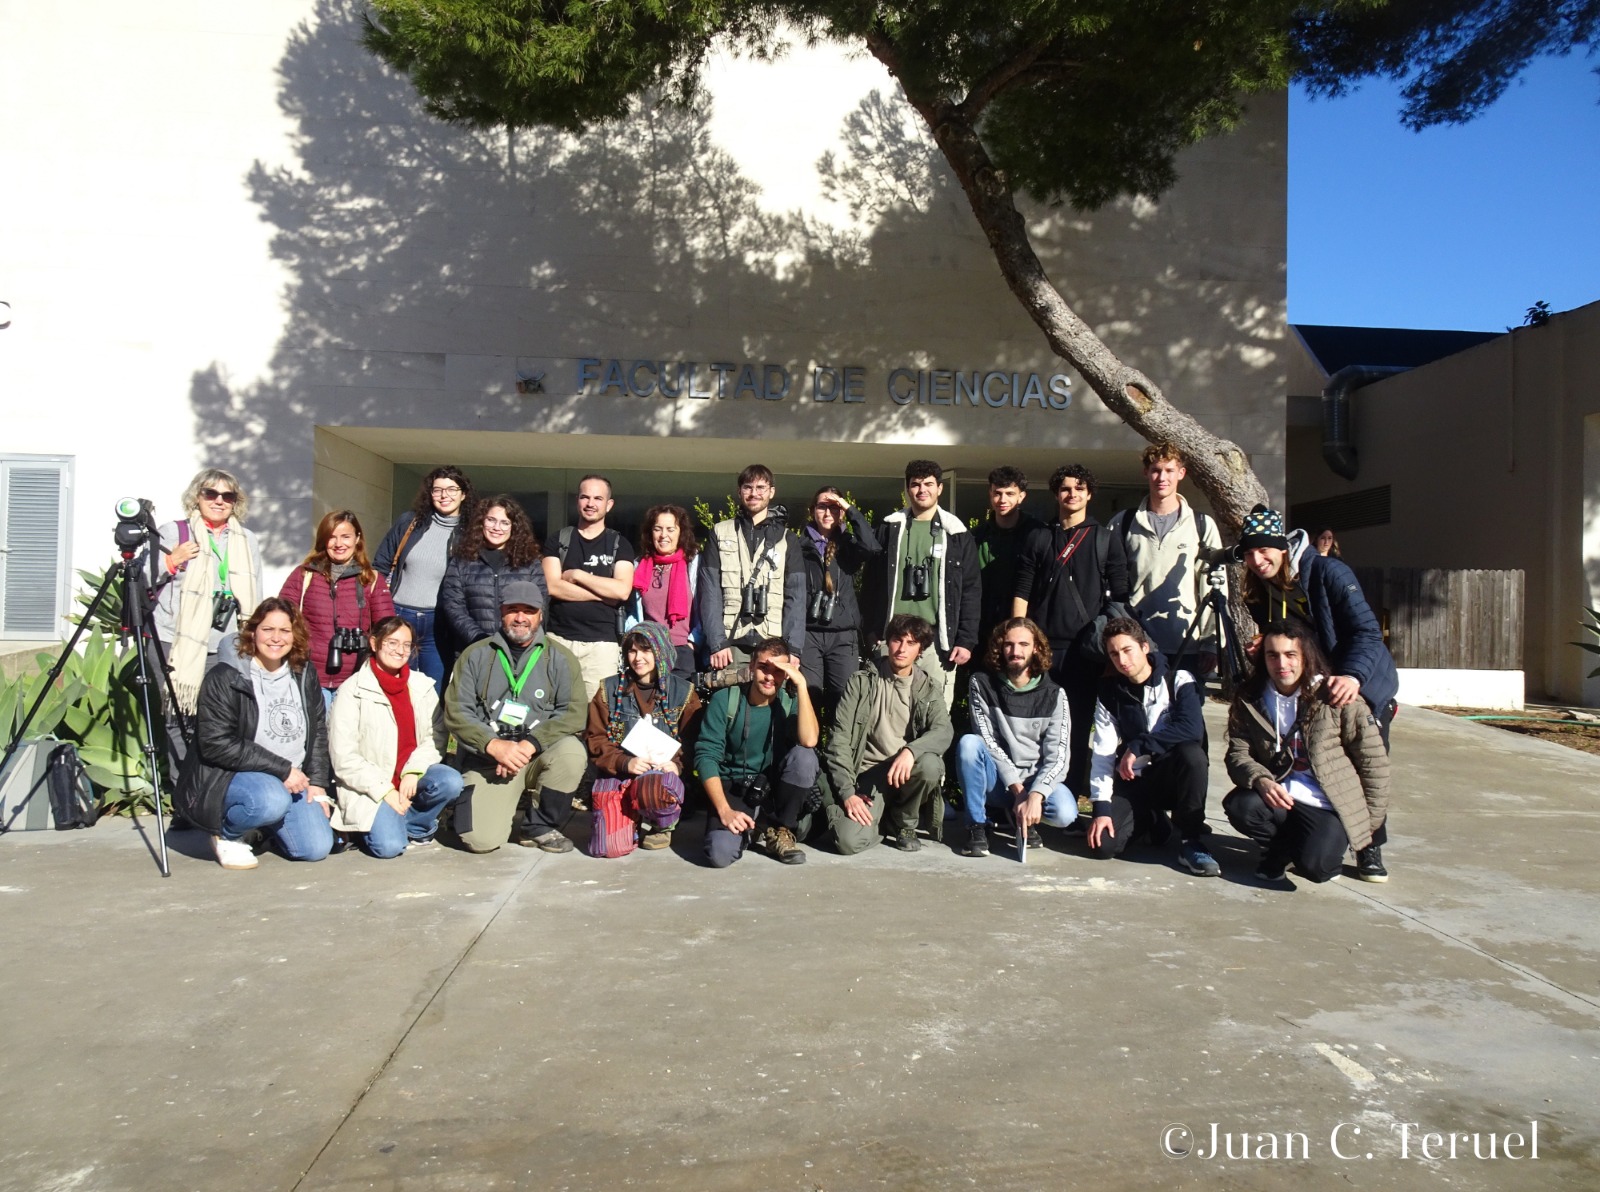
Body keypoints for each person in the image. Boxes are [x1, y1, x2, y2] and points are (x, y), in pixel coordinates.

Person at [1223, 621, 1391, 884]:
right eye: (1272, 655)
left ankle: (1305, 848)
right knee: (1241, 806)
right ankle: (1281, 849)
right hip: (1281, 793)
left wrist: (1367, 827)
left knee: (1317, 869)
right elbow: (1238, 754)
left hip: (1327, 802)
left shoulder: (1337, 698)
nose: (1282, 664)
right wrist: (1261, 780)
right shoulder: (1251, 697)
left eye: (1291, 655)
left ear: (1305, 657)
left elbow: (1374, 766)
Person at [174, 597, 332, 870]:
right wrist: (282, 770)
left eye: (285, 630)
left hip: (292, 778)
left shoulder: (303, 673)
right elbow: (216, 743)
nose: (276, 638)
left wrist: (317, 783)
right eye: (268, 629)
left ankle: (262, 826)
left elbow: (317, 729)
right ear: (253, 631)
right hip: (231, 777)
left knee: (315, 848)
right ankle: (228, 833)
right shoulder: (226, 676)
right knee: (271, 799)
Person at [1236, 504, 1399, 754]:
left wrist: (1352, 676)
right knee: (1318, 765)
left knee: (1364, 762)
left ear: (1282, 548)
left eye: (1263, 549)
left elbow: (1366, 631)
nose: (1256, 561)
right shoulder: (1258, 589)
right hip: (1315, 686)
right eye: (1248, 553)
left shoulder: (1329, 572)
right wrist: (1265, 645)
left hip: (1361, 681)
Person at [1013, 463, 1131, 796]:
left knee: (1079, 727)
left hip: (1086, 651)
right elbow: (1022, 589)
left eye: (1080, 488)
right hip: (1044, 647)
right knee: (1038, 726)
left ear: (1089, 494)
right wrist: (1021, 640)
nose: (1072, 494)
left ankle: (1071, 795)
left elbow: (1120, 596)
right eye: (1065, 488)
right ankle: (1036, 794)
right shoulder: (1039, 536)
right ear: (1056, 494)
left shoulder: (1105, 540)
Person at [444, 581, 586, 854]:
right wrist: (493, 746)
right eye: (513, 610)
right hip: (489, 760)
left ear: (540, 615)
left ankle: (539, 826)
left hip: (537, 754)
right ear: (501, 612)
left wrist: (529, 744)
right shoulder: (475, 655)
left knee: (572, 753)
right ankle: (487, 810)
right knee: (480, 841)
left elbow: (573, 713)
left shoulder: (561, 658)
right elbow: (457, 711)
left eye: (528, 611)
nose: (520, 618)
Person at [1085, 617, 1218, 876]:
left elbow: (1191, 729)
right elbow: (1103, 750)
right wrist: (1100, 807)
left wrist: (1139, 745)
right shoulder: (1111, 693)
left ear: (1145, 647)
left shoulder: (1178, 679)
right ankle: (1155, 821)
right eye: (1114, 654)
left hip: (1176, 779)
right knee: (1103, 846)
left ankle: (1191, 841)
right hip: (1138, 781)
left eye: (1127, 650)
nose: (1122, 660)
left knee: (1192, 754)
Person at [327, 615, 464, 857]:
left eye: (406, 645)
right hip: (371, 786)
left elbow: (436, 736)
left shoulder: (422, 686)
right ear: (374, 643)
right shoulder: (352, 691)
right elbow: (343, 758)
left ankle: (415, 825)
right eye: (392, 643)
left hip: (410, 778)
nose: (400, 651)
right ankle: (382, 826)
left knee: (450, 781)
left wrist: (414, 770)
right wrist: (385, 791)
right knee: (388, 848)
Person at [822, 615, 951, 855]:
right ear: (887, 642)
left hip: (905, 772)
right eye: (897, 640)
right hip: (868, 775)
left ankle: (905, 824)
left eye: (911, 643)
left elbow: (943, 730)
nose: (902, 649)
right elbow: (838, 739)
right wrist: (848, 793)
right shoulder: (861, 682)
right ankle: (882, 822)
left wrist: (910, 751)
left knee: (931, 765)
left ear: (920, 650)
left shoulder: (928, 687)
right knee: (847, 842)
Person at [862, 460, 980, 711]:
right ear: (907, 489)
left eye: (928, 484)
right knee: (886, 710)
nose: (921, 490)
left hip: (937, 641)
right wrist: (871, 632)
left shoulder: (956, 534)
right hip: (891, 638)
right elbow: (870, 584)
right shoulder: (888, 529)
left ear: (939, 488)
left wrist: (966, 639)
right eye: (915, 485)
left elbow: (970, 589)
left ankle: (929, 754)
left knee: (933, 711)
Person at [154, 467, 264, 730]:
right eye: (211, 493)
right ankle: (181, 772)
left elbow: (256, 590)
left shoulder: (246, 539)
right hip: (176, 638)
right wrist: (172, 561)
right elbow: (145, 577)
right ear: (197, 496)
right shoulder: (174, 532)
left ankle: (208, 772)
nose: (219, 500)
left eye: (228, 496)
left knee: (220, 718)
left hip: (226, 642)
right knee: (177, 717)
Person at [955, 618, 1075, 858]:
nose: (1015, 651)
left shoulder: (1055, 695)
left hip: (1034, 780)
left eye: (1023, 644)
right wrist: (1017, 790)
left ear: (1036, 648)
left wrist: (1035, 795)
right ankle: (978, 825)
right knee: (969, 744)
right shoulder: (982, 683)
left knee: (1065, 813)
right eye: (1008, 645)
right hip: (999, 781)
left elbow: (1058, 757)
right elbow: (987, 740)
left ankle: (1028, 819)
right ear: (1000, 648)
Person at [694, 636, 819, 867]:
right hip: (734, 787)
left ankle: (781, 829)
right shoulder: (725, 700)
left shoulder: (789, 703)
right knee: (719, 854)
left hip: (772, 789)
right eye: (763, 668)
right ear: (751, 667)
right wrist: (724, 810)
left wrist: (801, 685)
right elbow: (706, 757)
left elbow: (809, 740)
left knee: (805, 757)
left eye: (778, 671)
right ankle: (754, 828)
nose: (770, 677)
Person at [583, 621, 704, 856]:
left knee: (656, 786)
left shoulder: (684, 693)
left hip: (661, 779)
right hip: (618, 775)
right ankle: (630, 819)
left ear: (661, 652)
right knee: (610, 847)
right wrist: (623, 762)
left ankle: (662, 823)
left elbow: (694, 741)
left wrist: (677, 765)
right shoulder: (608, 690)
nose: (638, 657)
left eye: (646, 650)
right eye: (632, 650)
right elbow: (595, 738)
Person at [1106, 443, 1225, 673]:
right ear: (1146, 473)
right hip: (1135, 644)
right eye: (1155, 470)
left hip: (1186, 643)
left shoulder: (1201, 525)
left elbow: (1214, 586)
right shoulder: (1124, 522)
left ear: (1181, 473)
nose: (1162, 477)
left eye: (1169, 470)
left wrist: (1211, 643)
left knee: (1185, 709)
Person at [279, 510, 396, 708]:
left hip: (356, 680)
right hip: (310, 676)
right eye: (331, 537)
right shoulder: (304, 575)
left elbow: (388, 630)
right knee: (316, 738)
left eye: (345, 536)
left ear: (357, 538)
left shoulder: (372, 579)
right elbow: (282, 618)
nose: (339, 544)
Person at [374, 466, 474, 695]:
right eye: (437, 489)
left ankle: (428, 733)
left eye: (451, 489)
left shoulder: (470, 534)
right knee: (394, 687)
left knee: (432, 691)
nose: (444, 495)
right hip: (399, 616)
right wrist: (381, 610)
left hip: (438, 623)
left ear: (463, 494)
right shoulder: (410, 523)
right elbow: (379, 566)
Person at [698, 464, 806, 673]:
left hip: (773, 642)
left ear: (771, 492)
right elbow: (709, 592)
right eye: (748, 487)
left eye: (760, 487)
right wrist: (717, 642)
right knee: (729, 703)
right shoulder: (720, 532)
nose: (754, 493)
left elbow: (796, 597)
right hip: (730, 643)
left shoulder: (788, 539)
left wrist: (793, 648)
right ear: (739, 492)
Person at [542, 474, 637, 703]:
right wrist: (604, 594)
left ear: (609, 504)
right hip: (558, 640)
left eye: (598, 498)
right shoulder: (559, 540)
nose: (590, 503)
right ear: (577, 501)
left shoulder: (619, 544)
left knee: (596, 715)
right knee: (554, 708)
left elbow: (622, 591)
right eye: (585, 497)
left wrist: (577, 575)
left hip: (602, 646)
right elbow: (553, 586)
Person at [798, 486, 881, 721]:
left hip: (843, 634)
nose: (827, 512)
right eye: (822, 506)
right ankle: (808, 756)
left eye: (834, 507)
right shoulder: (798, 545)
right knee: (807, 701)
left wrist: (849, 509)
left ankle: (838, 757)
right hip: (808, 632)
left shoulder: (849, 546)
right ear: (812, 510)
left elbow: (872, 547)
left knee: (844, 703)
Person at [439, 494, 549, 651]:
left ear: (514, 527)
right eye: (491, 520)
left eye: (505, 523)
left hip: (518, 649)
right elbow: (453, 606)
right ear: (481, 522)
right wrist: (480, 640)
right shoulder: (462, 560)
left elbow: (540, 604)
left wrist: (518, 640)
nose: (497, 528)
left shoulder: (530, 562)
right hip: (473, 648)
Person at [623, 504, 702, 681]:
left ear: (681, 532)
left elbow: (706, 606)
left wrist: (693, 643)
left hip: (683, 650)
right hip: (648, 650)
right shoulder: (639, 566)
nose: (663, 535)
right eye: (657, 529)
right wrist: (636, 638)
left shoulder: (694, 563)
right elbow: (630, 611)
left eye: (670, 529)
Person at [972, 466, 1042, 650]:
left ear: (1021, 496)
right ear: (990, 494)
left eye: (1010, 493)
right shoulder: (976, 537)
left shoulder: (1038, 533)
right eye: (997, 493)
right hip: (983, 629)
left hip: (1025, 628)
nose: (1002, 500)